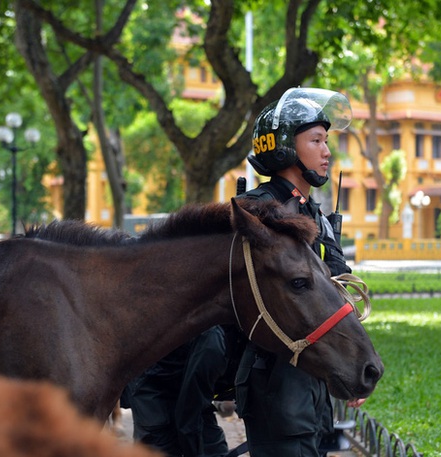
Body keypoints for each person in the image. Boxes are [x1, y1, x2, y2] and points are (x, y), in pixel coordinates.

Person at [234, 87, 360, 457]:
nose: (326, 151)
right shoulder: (259, 212)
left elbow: (341, 287)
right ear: (286, 147)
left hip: (314, 383)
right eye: (317, 140)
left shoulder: (315, 214)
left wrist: (353, 361)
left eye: (326, 140)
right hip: (275, 385)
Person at [124, 326, 238, 457]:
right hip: (153, 384)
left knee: (209, 444)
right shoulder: (212, 342)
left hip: (187, 379)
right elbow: (189, 415)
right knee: (159, 443)